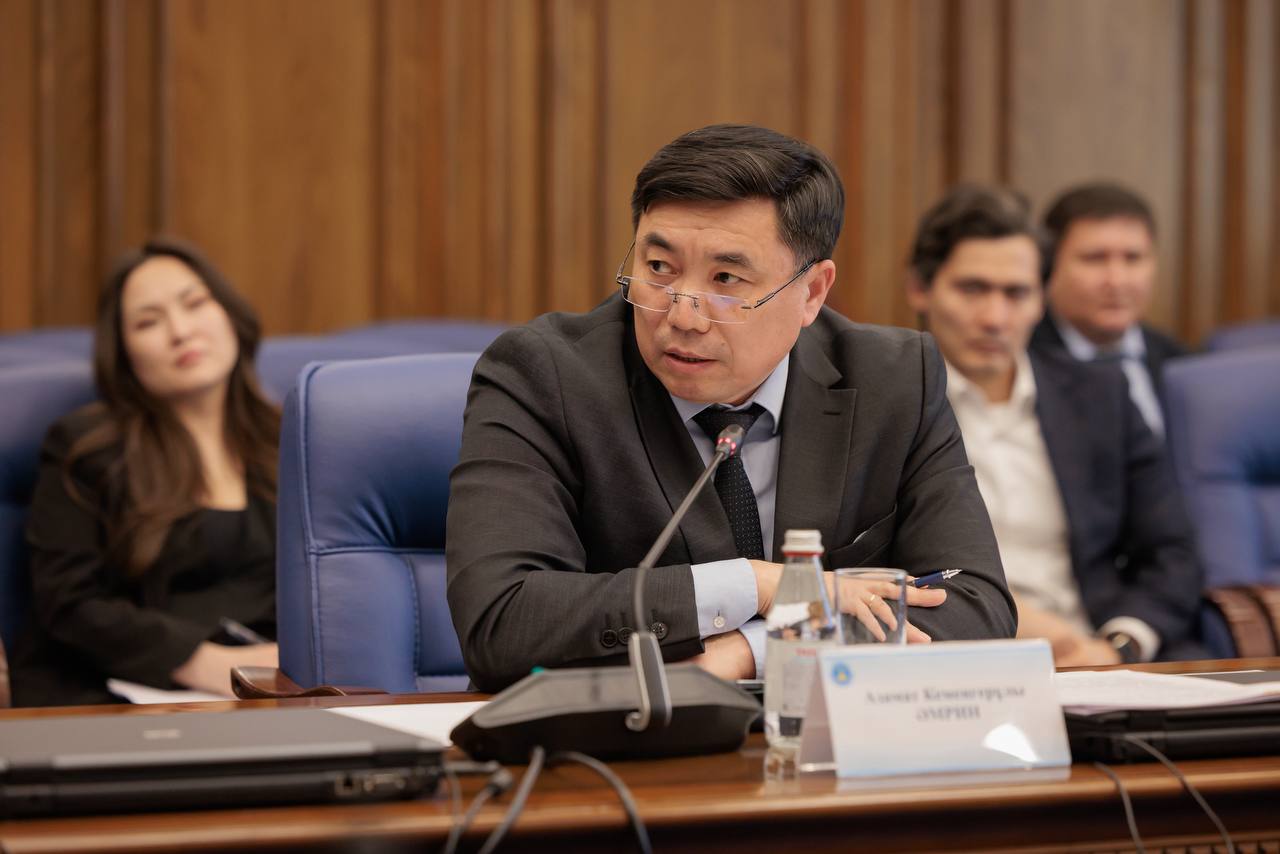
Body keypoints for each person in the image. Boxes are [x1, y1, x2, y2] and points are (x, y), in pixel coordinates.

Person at [446, 124, 1015, 693]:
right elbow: (502, 620)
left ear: (812, 292)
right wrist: (753, 584)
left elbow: (974, 607)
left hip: (832, 737)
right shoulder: (543, 376)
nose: (682, 317)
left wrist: (754, 651)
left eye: (726, 279)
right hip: (622, 735)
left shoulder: (893, 380)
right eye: (659, 269)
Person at [904, 185, 1204, 666]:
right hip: (953, 658)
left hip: (1097, 651)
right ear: (920, 289)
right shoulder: (890, 402)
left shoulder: (1101, 395)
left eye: (1016, 293)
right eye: (973, 289)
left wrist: (1118, 644)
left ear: (1041, 298)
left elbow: (1172, 553)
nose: (995, 318)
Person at [11, 238, 281, 706]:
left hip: (270, 694)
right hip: (116, 695)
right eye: (148, 322)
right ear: (124, 353)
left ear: (230, 315)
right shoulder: (84, 448)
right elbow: (69, 603)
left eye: (194, 303)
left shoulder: (290, 439)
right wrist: (209, 664)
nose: (181, 331)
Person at [1030, 182, 1188, 438]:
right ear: (1048, 266)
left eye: (1133, 258)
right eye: (1095, 258)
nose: (1117, 281)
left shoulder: (1180, 362)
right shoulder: (1019, 365)